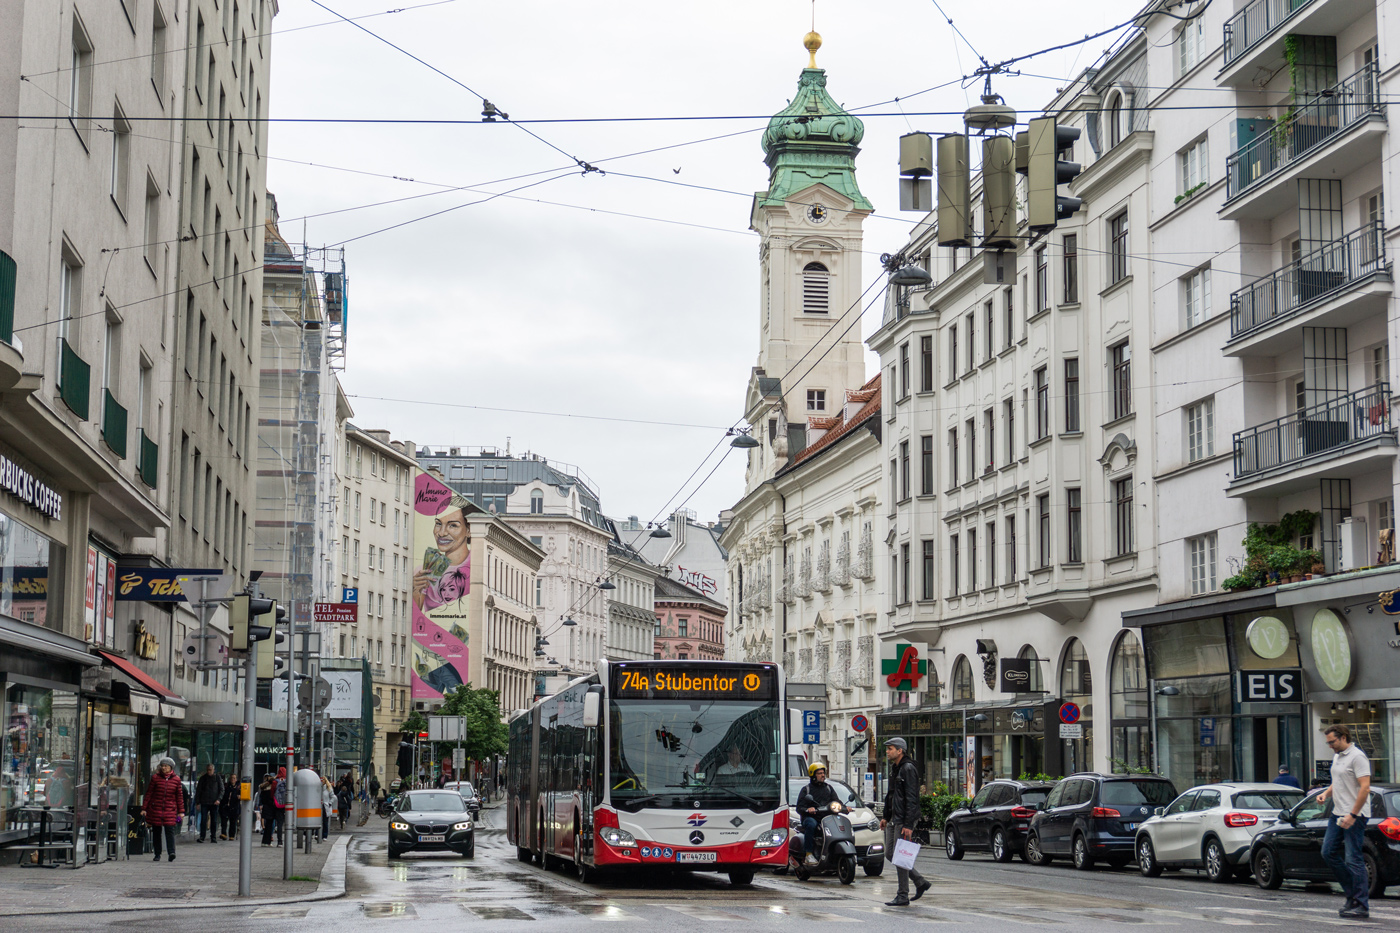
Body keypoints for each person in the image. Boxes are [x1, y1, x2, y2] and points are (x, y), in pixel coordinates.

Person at [1317, 725, 1372, 919]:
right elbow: (1338, 781)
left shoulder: (1358, 757)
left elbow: (1365, 787)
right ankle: (1352, 895)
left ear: (1343, 737)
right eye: (1328, 742)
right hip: (1338, 813)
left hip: (1354, 815)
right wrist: (1325, 793)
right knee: (1328, 852)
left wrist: (1353, 815)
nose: (1330, 746)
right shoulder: (1338, 756)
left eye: (1332, 741)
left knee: (1353, 858)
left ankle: (1361, 905)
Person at [879, 737, 931, 907]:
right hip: (895, 818)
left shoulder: (908, 768)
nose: (887, 751)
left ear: (900, 750)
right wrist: (886, 816)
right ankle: (919, 881)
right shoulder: (896, 768)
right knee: (890, 854)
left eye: (890, 749)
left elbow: (912, 798)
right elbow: (891, 795)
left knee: (900, 856)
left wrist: (909, 824)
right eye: (887, 749)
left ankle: (903, 895)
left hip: (904, 819)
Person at [413, 498, 472, 611]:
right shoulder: (421, 573)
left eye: (453, 525)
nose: (441, 533)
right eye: (438, 524)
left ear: (468, 530)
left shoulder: (477, 568)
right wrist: (415, 591)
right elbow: (416, 618)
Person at [143, 757, 186, 863]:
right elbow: (149, 794)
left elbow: (179, 797)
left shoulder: (176, 780)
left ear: (171, 767)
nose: (163, 768)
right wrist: (144, 808)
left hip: (170, 809)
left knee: (169, 831)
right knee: (156, 832)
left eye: (166, 766)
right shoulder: (155, 778)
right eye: (162, 766)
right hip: (156, 808)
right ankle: (157, 854)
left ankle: (171, 852)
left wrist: (181, 811)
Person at [795, 762, 841, 863]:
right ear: (813, 775)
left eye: (823, 773)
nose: (823, 775)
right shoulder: (806, 790)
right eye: (819, 773)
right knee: (811, 824)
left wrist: (845, 807)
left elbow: (836, 800)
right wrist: (808, 810)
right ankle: (808, 854)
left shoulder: (828, 788)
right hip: (811, 817)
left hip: (826, 818)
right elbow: (799, 807)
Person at [195, 764, 223, 843]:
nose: (209, 771)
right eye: (207, 770)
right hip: (204, 802)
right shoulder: (203, 778)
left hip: (214, 802)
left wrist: (218, 799)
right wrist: (198, 802)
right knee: (203, 819)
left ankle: (213, 836)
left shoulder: (217, 778)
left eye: (210, 770)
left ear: (213, 770)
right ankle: (202, 836)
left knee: (214, 820)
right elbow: (199, 791)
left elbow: (221, 789)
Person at [257, 775, 279, 847]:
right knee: (270, 826)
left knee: (267, 826)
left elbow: (262, 799)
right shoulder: (271, 789)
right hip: (271, 808)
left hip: (265, 808)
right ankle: (267, 841)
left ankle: (265, 841)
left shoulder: (263, 788)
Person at [220, 772, 241, 840]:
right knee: (224, 821)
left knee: (233, 821)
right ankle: (224, 833)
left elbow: (241, 795)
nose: (233, 779)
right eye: (231, 778)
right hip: (226, 806)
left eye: (234, 778)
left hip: (234, 806)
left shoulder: (238, 787)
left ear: (236, 779)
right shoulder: (226, 786)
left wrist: (239, 796)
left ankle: (231, 835)